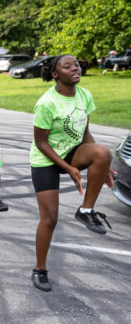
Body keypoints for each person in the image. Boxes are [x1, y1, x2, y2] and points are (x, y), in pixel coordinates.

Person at [30, 55, 113, 292]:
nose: (75, 67)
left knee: (104, 152)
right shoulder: (47, 103)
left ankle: (85, 210)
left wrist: (102, 166)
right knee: (50, 218)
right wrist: (66, 168)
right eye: (67, 66)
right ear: (55, 74)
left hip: (72, 151)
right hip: (45, 158)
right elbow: (41, 142)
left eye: (76, 64)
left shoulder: (84, 95)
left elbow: (86, 133)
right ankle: (40, 269)